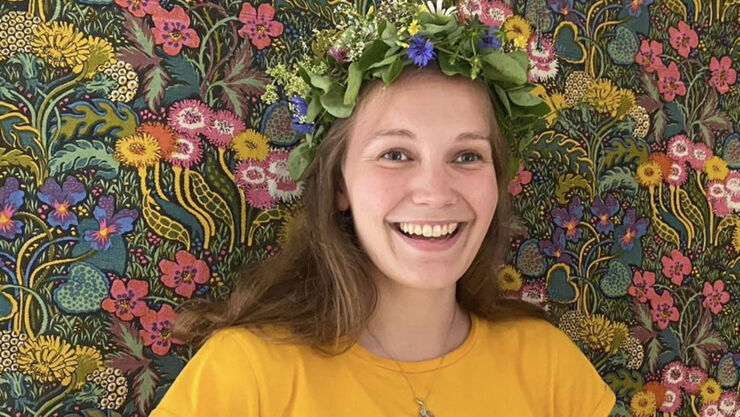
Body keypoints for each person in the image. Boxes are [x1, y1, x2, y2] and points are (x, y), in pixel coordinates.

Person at [149, 2, 617, 416]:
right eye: (396, 154)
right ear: (339, 184)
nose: (435, 193)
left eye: (467, 156)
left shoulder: (549, 366)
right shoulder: (244, 374)